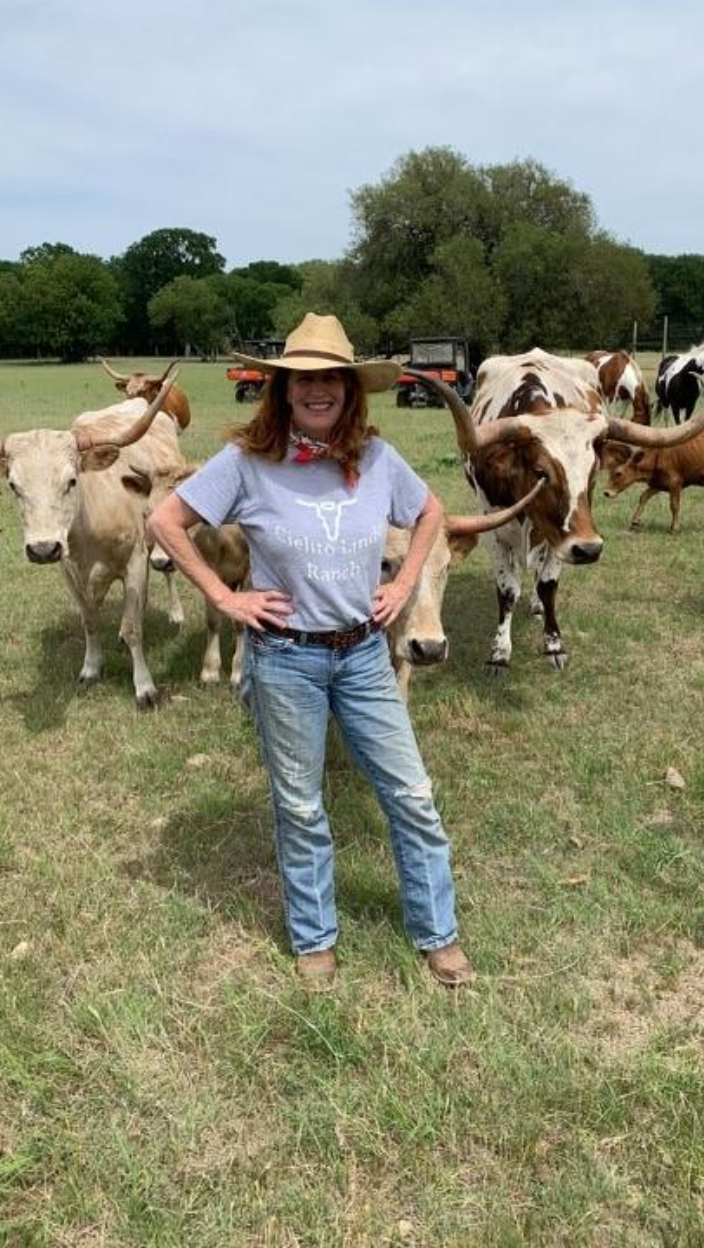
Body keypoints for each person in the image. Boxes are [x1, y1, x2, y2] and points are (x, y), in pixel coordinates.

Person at [148, 313, 473, 991]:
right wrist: (225, 596)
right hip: (284, 659)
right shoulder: (247, 462)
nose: (318, 389)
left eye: (332, 379)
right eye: (303, 379)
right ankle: (315, 938)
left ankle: (437, 934)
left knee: (411, 793)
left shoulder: (377, 459)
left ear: (350, 390)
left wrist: (404, 584)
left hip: (363, 657)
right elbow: (165, 520)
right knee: (300, 805)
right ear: (283, 390)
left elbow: (431, 513)